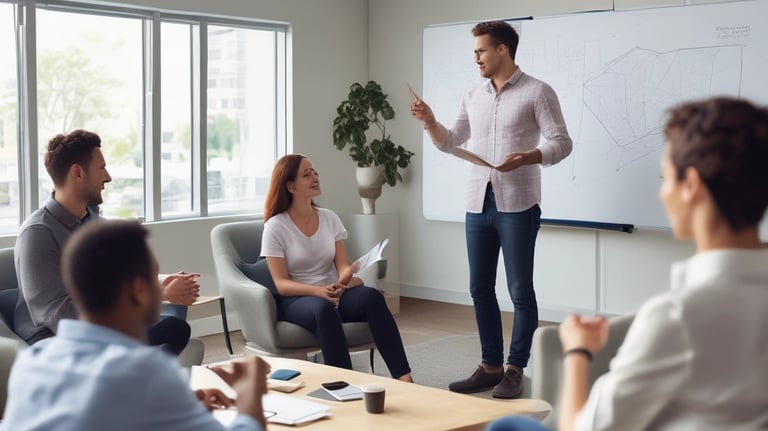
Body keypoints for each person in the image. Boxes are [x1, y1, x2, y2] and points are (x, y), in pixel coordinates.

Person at [484, 96, 768, 431]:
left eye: (665, 179)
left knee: (506, 426)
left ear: (691, 185)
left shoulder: (677, 318)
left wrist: (578, 352)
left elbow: (581, 427)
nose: (663, 195)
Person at [411, 20, 572, 398]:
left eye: (481, 50)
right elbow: (450, 143)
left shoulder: (537, 92)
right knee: (480, 288)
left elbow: (562, 143)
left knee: (520, 291)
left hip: (519, 203)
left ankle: (515, 369)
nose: (476, 58)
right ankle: (490, 366)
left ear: (503, 50)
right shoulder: (472, 94)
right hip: (477, 201)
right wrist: (430, 122)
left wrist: (530, 156)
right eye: (474, 51)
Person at [1, 220, 270, 430]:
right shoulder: (147, 372)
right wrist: (251, 394)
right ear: (140, 290)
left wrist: (176, 411)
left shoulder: (30, 364)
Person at [14, 129, 199, 354]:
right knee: (171, 329)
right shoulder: (37, 233)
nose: (108, 177)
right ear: (77, 173)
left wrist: (157, 284)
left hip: (97, 325)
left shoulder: (93, 221)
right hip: (55, 337)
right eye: (101, 168)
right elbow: (58, 316)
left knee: (173, 328)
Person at [261, 154, 413, 381]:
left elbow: (342, 265)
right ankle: (343, 384)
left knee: (371, 297)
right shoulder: (275, 227)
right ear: (290, 186)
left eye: (314, 171)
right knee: (323, 309)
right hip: (298, 299)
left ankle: (404, 378)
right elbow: (281, 284)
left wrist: (347, 278)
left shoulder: (329, 218)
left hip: (333, 291)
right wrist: (319, 291)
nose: (315, 176)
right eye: (306, 174)